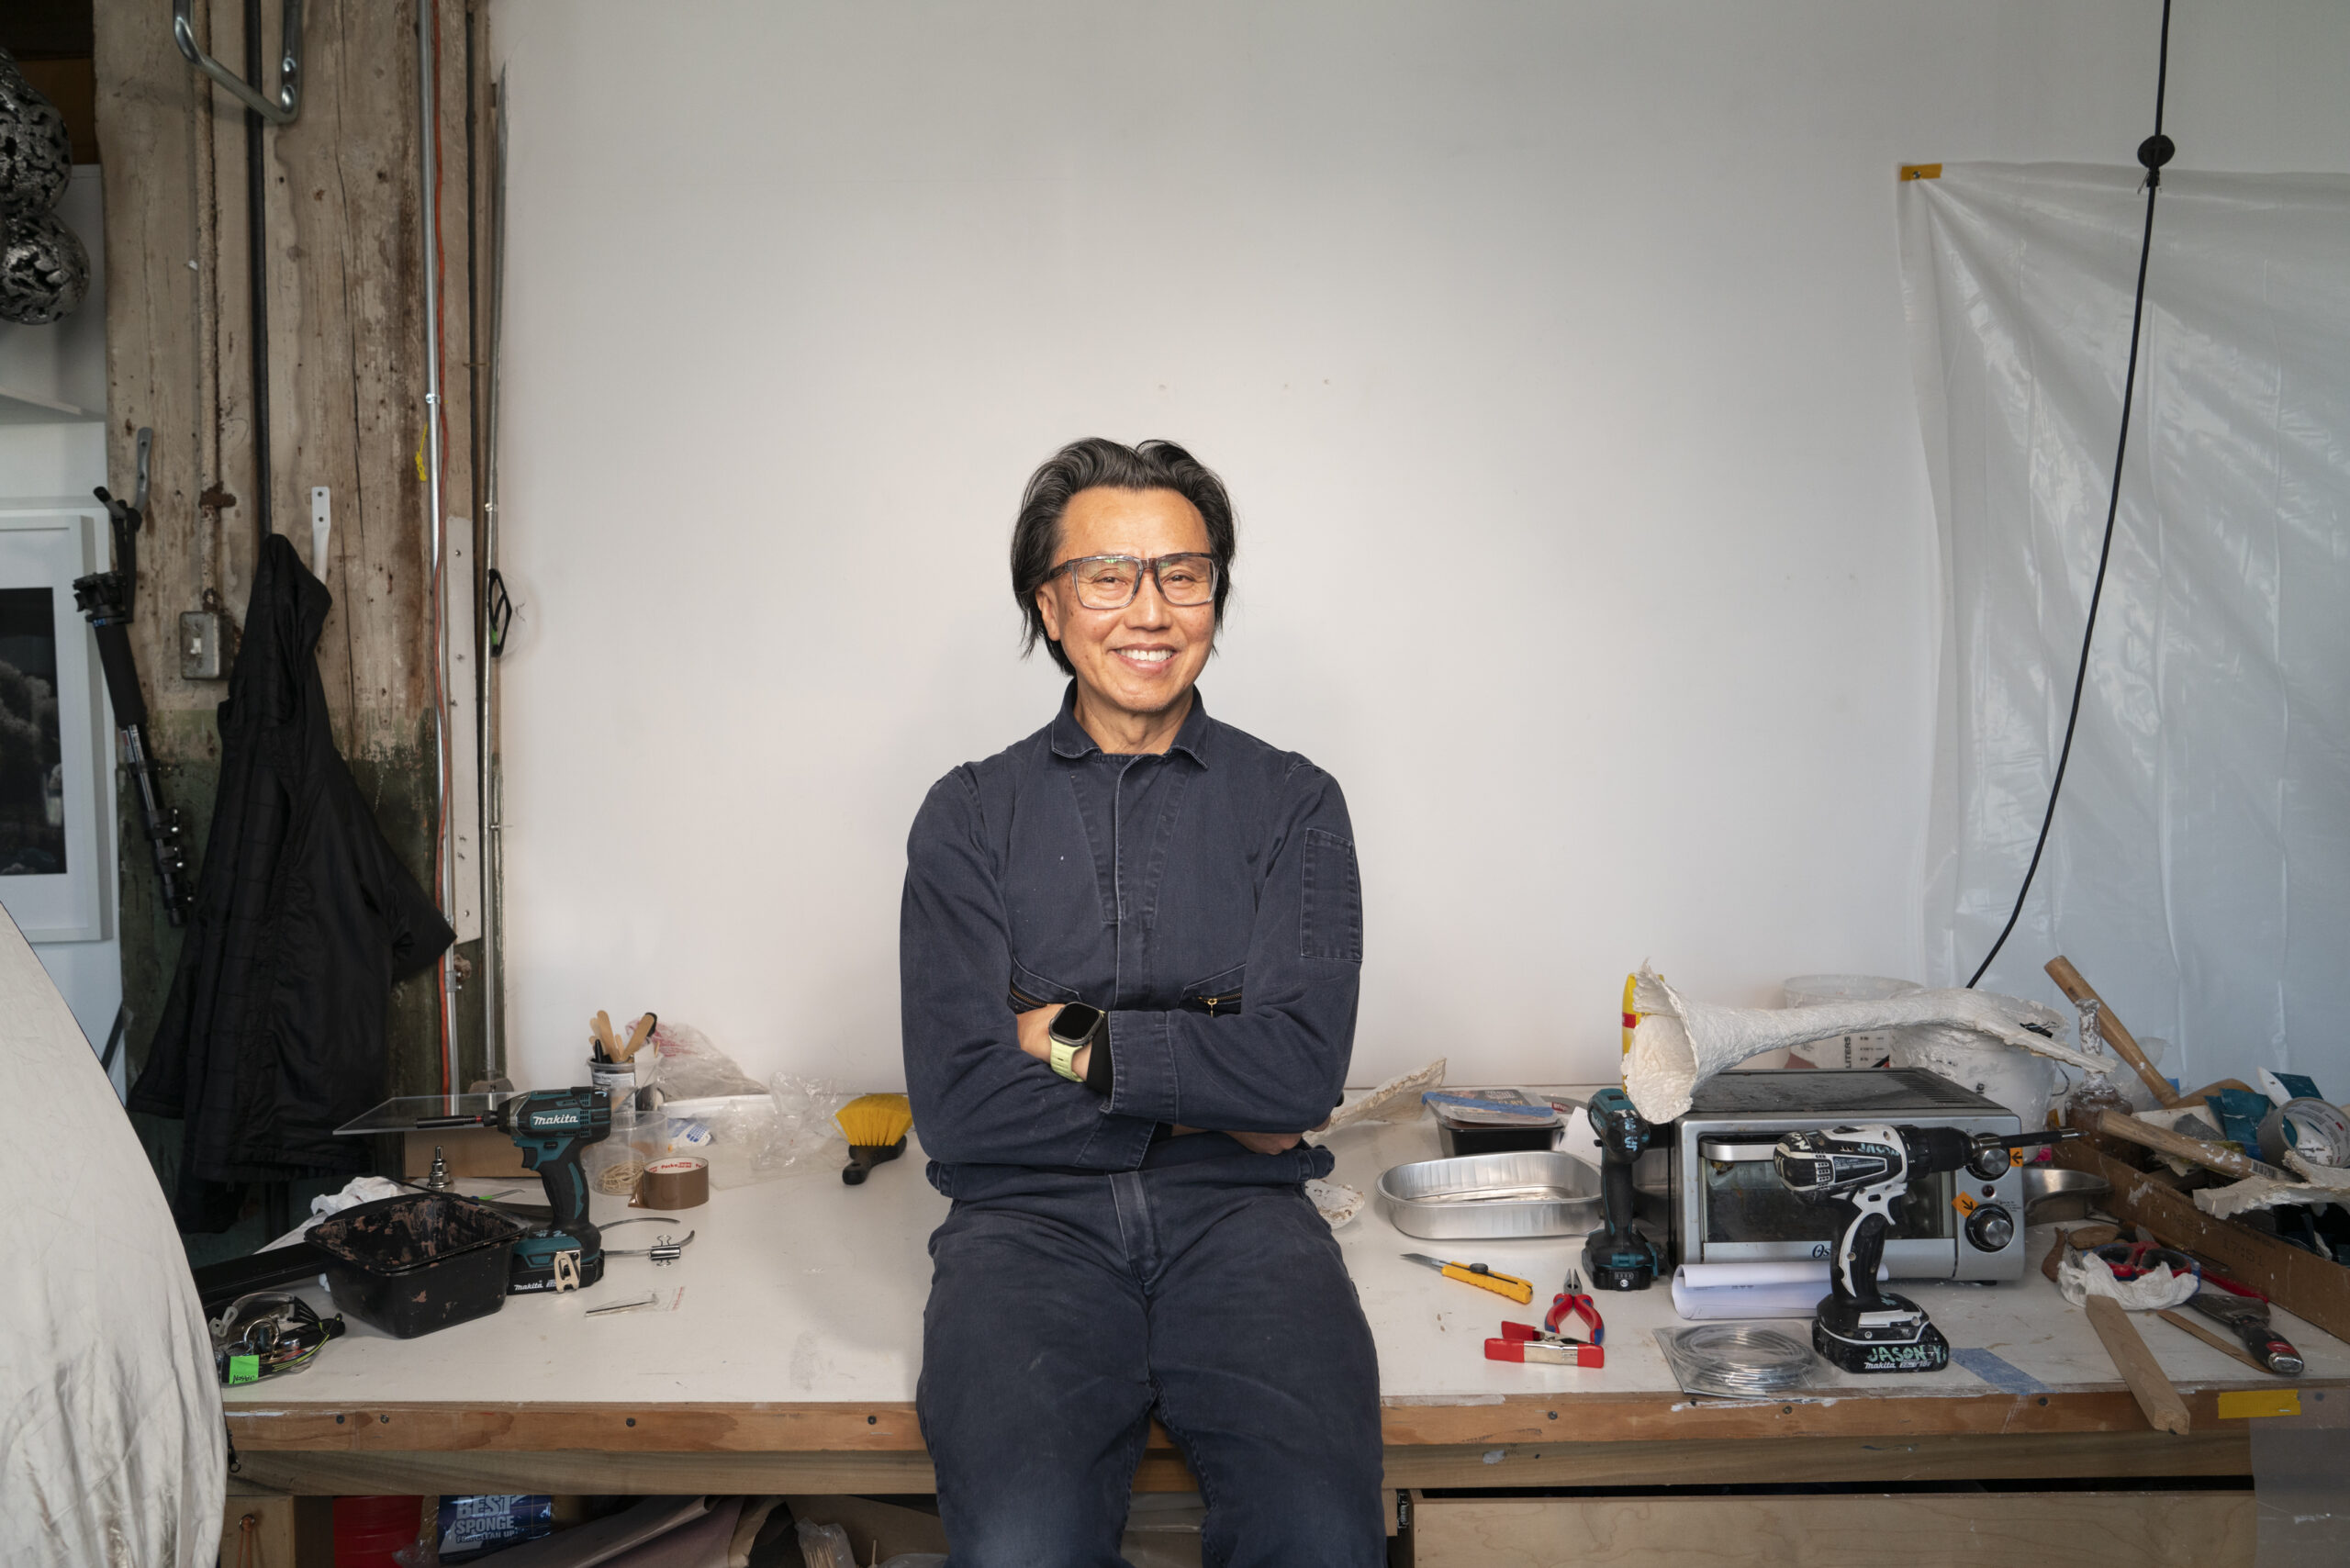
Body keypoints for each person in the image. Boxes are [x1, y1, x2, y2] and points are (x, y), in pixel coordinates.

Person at [900, 438, 1383, 1565]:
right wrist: (1220, 1082)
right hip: (1024, 1228)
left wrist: (1061, 1034)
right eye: (1108, 576)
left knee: (1319, 1540)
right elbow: (964, 1106)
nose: (1150, 610)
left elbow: (1301, 1077)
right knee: (1022, 1546)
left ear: (1215, 591)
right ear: (1051, 606)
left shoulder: (1296, 805)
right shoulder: (967, 816)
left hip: (1244, 1219)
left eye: (1184, 572)